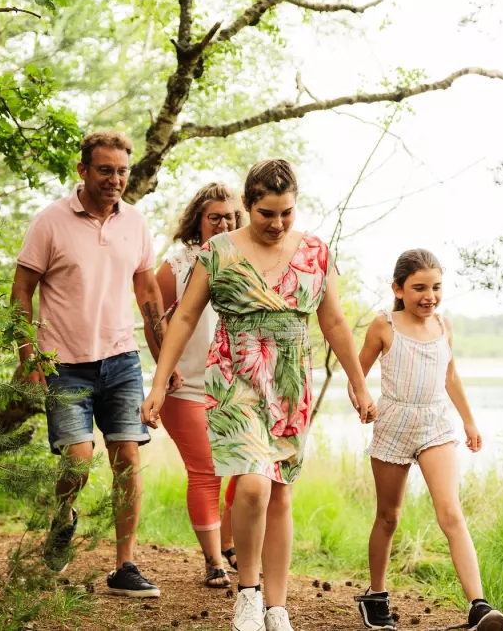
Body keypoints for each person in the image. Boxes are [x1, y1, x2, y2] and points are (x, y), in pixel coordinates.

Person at [141, 159, 376, 631]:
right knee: (251, 484)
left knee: (281, 493)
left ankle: (277, 605)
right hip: (235, 374)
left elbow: (332, 321)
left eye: (286, 213)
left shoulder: (315, 252)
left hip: (290, 379)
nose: (277, 223)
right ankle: (247, 594)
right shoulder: (219, 251)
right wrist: (158, 383)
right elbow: (184, 318)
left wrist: (358, 381)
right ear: (248, 206)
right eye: (266, 213)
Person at [11, 131, 180, 598]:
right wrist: (29, 356)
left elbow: (148, 294)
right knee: (78, 461)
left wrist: (164, 357)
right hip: (64, 363)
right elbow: (22, 290)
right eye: (105, 169)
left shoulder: (135, 223)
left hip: (121, 359)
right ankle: (63, 517)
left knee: (127, 457)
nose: (115, 179)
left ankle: (125, 564)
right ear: (83, 170)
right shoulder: (50, 221)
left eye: (122, 170)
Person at [349, 249, 503, 631]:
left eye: (436, 287)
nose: (429, 296)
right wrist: (363, 401)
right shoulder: (383, 325)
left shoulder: (444, 326)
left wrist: (469, 421)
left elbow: (450, 377)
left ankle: (479, 606)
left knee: (451, 513)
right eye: (419, 287)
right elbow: (358, 376)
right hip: (393, 423)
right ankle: (376, 596)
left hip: (436, 423)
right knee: (389, 517)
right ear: (398, 289)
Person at [145, 182, 243, 589]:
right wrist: (163, 367)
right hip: (186, 387)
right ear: (199, 221)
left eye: (232, 216)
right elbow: (153, 313)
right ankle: (213, 559)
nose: (224, 223)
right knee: (205, 470)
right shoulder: (179, 264)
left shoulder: (247, 260)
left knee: (242, 467)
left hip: (236, 387)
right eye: (215, 216)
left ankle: (230, 542)